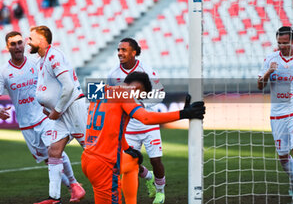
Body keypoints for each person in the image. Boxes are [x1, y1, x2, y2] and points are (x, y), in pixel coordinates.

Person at [0, 31, 85, 204]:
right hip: (26, 124)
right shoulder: (3, 72)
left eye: (20, 42)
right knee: (48, 159)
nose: (18, 46)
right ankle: (72, 190)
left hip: (45, 117)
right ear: (7, 47)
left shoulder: (37, 61)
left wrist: (58, 106)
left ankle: (73, 186)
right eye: (13, 44)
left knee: (55, 151)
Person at [82, 71, 205, 204]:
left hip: (89, 158)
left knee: (133, 163)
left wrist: (127, 148)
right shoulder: (125, 95)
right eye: (141, 96)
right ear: (137, 88)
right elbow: (146, 117)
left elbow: (112, 126)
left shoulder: (100, 89)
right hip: (104, 165)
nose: (138, 101)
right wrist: (183, 114)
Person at [28, 25, 87, 204]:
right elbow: (51, 89)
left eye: (30, 39)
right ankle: (54, 198)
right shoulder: (41, 61)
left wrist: (57, 109)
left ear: (41, 40)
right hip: (60, 114)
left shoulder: (54, 55)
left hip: (73, 110)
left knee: (92, 152)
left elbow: (68, 86)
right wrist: (50, 107)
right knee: (53, 152)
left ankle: (114, 186)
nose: (27, 42)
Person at [107, 37, 167, 203]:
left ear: (134, 52)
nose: (120, 53)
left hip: (148, 123)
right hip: (128, 127)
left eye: (124, 50)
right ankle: (148, 177)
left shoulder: (146, 70)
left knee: (156, 160)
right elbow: (110, 97)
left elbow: (160, 93)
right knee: (129, 164)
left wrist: (139, 104)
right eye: (118, 50)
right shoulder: (113, 74)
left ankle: (160, 191)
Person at [258, 26, 293, 199]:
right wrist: (268, 72)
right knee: (283, 157)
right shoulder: (271, 59)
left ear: (292, 41)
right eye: (279, 43)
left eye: (285, 43)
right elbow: (259, 85)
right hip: (277, 113)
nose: (282, 46)